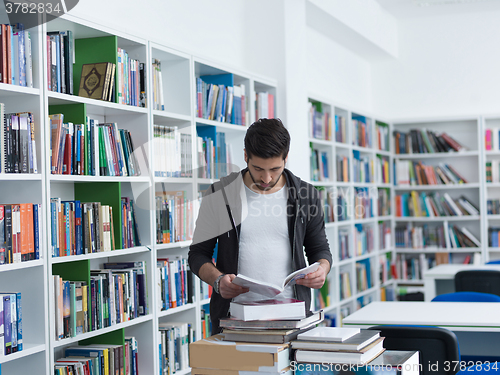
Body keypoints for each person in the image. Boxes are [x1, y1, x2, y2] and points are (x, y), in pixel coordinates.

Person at [188, 118, 332, 335]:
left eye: (275, 169)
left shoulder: (306, 195)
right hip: (234, 317)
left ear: (286, 158)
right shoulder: (219, 194)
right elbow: (197, 255)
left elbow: (320, 250)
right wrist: (218, 281)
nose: (266, 178)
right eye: (258, 168)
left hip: (291, 315)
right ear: (246, 156)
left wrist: (322, 270)